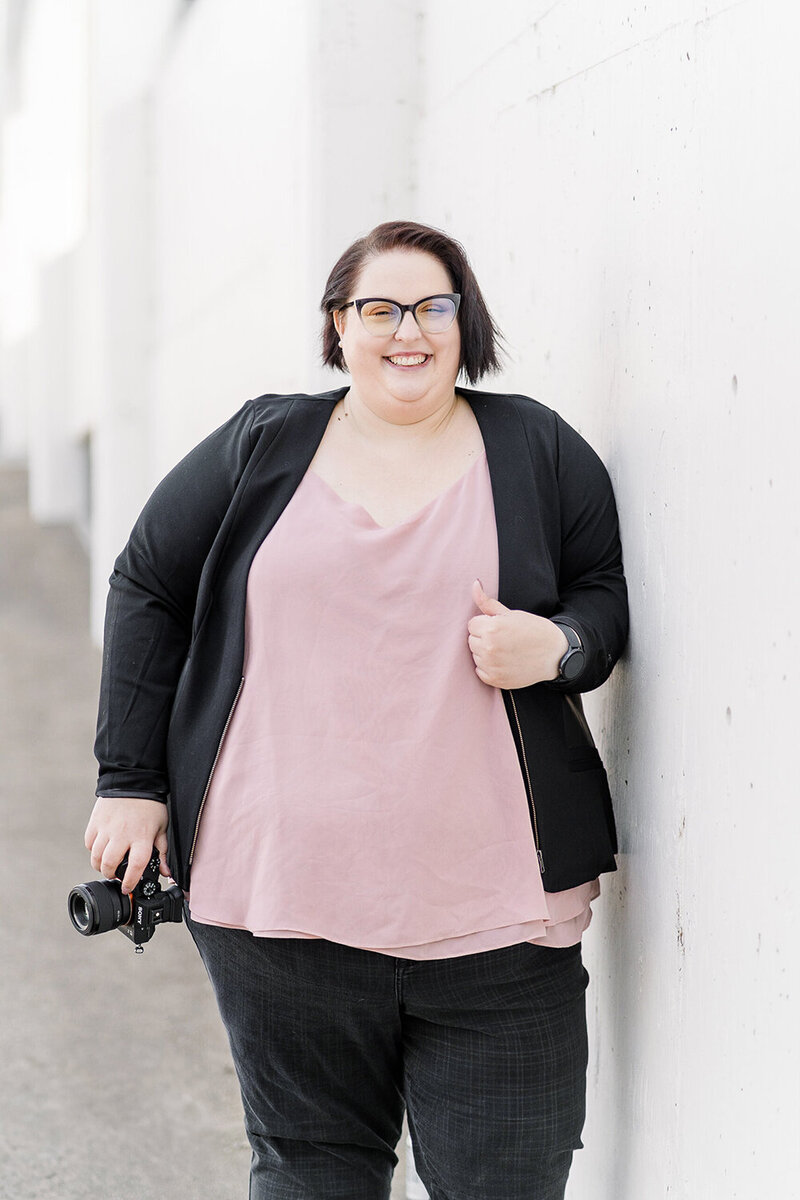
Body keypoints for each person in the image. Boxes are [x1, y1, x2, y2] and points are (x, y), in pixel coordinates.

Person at [84, 219, 628, 1200]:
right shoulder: (266, 442)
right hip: (277, 913)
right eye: (377, 307)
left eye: (432, 306)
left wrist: (556, 647)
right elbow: (148, 584)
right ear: (337, 327)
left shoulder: (535, 448)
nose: (405, 330)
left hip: (498, 929)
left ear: (466, 323)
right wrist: (129, 782)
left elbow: (600, 594)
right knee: (310, 1173)